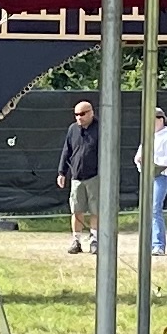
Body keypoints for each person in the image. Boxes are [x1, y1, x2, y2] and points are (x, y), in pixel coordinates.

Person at [55, 97, 101, 251]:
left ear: (91, 112)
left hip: (95, 176)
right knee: (76, 209)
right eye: (76, 114)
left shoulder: (101, 128)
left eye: (82, 114)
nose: (79, 117)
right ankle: (76, 240)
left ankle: (95, 240)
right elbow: (66, 151)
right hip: (76, 177)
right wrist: (62, 172)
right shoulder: (73, 129)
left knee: (96, 209)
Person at [142, 106, 167, 253]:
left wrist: (152, 161)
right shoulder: (148, 137)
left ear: (160, 120)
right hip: (147, 176)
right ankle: (149, 243)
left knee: (155, 209)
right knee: (148, 210)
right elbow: (139, 155)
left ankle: (158, 244)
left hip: (162, 176)